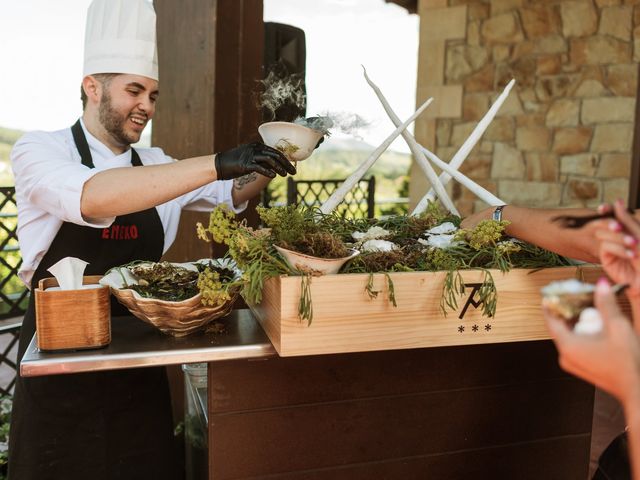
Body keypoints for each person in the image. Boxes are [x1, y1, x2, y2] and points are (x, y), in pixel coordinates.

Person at [8, 0, 297, 478]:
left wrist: (279, 151)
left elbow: (231, 192)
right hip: (59, 368)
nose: (146, 105)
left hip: (138, 364)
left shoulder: (158, 161)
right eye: (135, 90)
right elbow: (93, 197)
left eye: (154, 95)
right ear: (92, 87)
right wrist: (215, 160)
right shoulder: (41, 149)